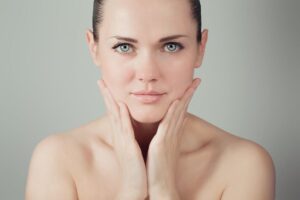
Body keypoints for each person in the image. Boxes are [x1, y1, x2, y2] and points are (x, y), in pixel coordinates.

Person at [25, 0, 276, 199]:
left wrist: (165, 190)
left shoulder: (243, 165)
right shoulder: (58, 160)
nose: (148, 74)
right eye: (124, 46)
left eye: (171, 46)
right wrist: (130, 192)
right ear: (94, 48)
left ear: (201, 48)